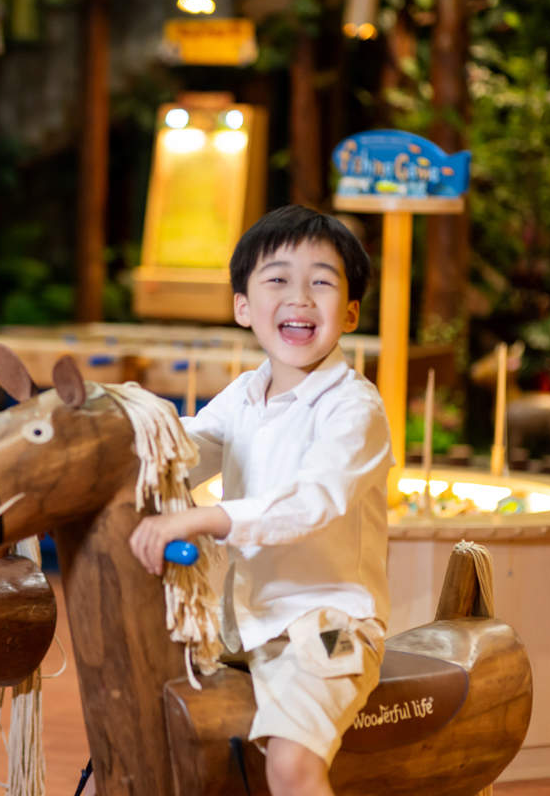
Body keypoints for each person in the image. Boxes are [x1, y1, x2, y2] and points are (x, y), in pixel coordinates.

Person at [129, 205, 392, 796]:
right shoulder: (246, 393)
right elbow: (188, 447)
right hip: (241, 626)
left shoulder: (355, 408)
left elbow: (312, 501)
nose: (300, 297)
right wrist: (129, 436)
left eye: (321, 282)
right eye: (278, 279)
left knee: (292, 765)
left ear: (349, 312)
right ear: (243, 307)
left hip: (325, 624)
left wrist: (200, 516)